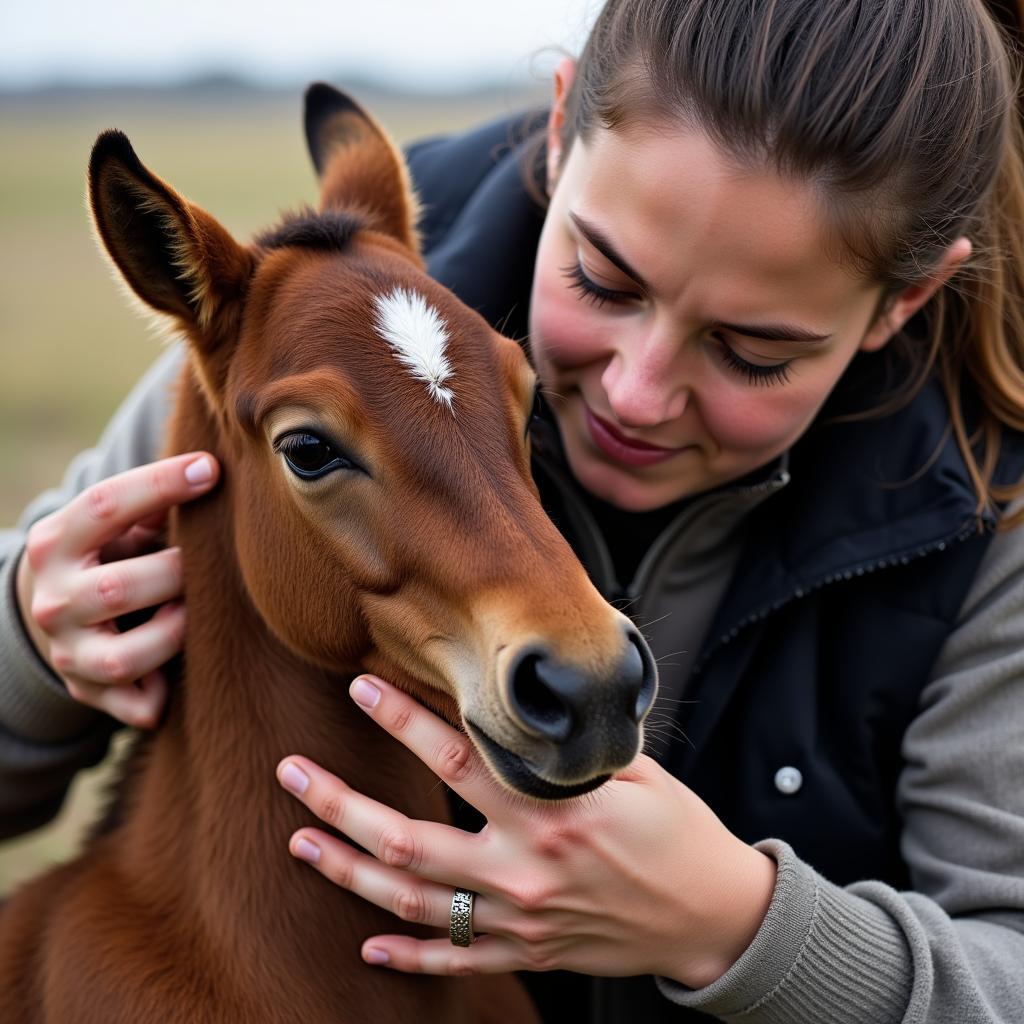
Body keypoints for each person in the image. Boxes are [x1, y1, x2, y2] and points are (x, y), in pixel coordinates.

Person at [3, 0, 1024, 1020]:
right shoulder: (332, 328)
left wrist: (735, 926)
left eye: (753, 351)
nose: (634, 392)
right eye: (601, 277)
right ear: (559, 121)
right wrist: (30, 643)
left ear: (902, 302)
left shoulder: (990, 501)